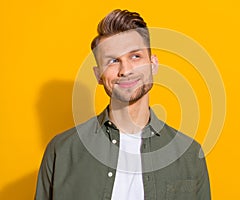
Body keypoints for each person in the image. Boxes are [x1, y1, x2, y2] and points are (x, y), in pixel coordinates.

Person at [35, 9, 211, 200]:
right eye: (112, 61)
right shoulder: (60, 151)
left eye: (135, 56)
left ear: (153, 64)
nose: (125, 70)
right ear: (98, 75)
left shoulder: (190, 154)